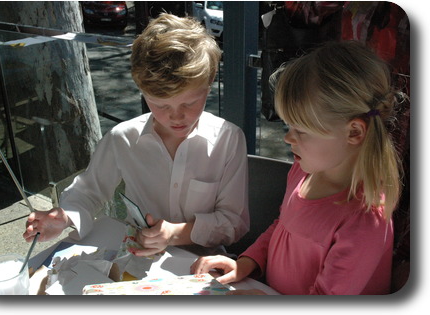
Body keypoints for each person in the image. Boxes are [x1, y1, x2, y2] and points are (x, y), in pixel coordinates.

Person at [23, 13, 249, 257]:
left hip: (203, 263)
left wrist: (175, 233)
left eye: (189, 103)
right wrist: (64, 217)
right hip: (140, 258)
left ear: (210, 81)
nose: (176, 116)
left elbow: (233, 223)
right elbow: (89, 192)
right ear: (142, 91)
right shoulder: (123, 138)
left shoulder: (228, 140)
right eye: (161, 105)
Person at [191, 40, 404, 295]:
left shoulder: (366, 217)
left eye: (300, 130)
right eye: (288, 126)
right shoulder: (303, 171)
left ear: (354, 131)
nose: (287, 138)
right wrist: (246, 263)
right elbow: (283, 227)